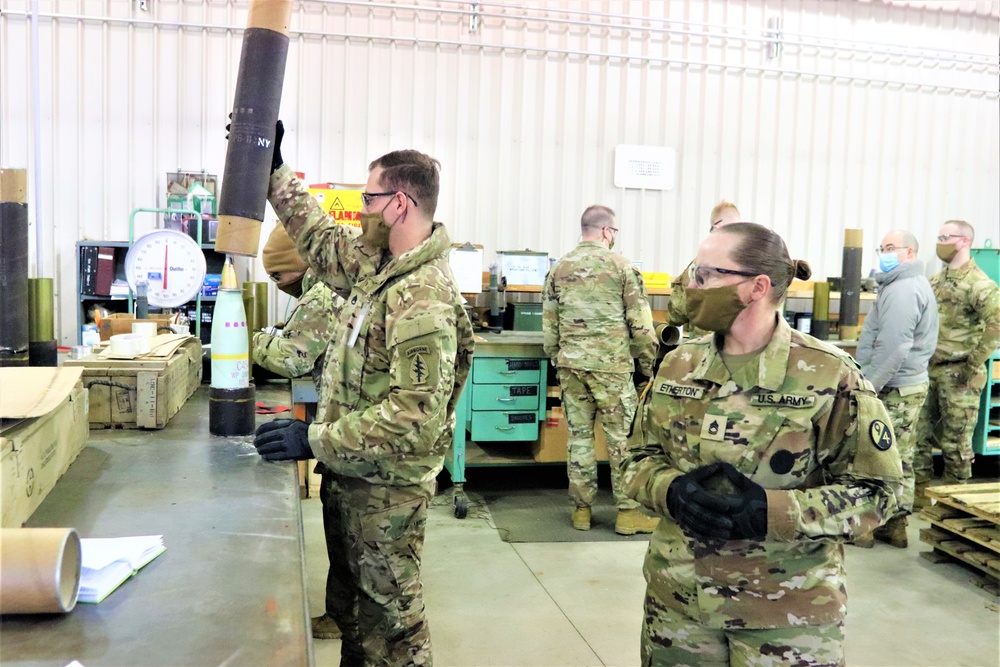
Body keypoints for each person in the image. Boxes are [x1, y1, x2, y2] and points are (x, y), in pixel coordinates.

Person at [622, 223, 902, 666]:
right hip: (678, 604)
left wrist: (772, 513)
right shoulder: (677, 366)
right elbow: (635, 458)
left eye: (705, 274)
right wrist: (669, 491)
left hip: (787, 612)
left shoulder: (830, 375)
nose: (690, 287)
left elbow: (880, 493)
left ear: (757, 287)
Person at [252, 122, 475, 667]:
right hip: (354, 478)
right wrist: (273, 167)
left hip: (388, 494)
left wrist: (315, 438)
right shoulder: (377, 268)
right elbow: (320, 239)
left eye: (368, 198)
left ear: (399, 204)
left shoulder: (423, 297)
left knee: (393, 628)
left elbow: (412, 415)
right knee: (355, 618)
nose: (361, 209)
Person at [542, 205, 659, 535]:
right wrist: (649, 368)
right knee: (622, 440)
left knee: (578, 438)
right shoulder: (622, 267)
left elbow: (549, 325)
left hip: (571, 366)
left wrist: (558, 357)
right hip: (611, 367)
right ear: (608, 232)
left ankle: (581, 511)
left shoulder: (559, 268)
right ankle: (627, 513)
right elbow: (641, 326)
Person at [253, 224, 345, 640]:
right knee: (345, 537)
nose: (280, 286)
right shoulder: (327, 286)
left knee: (357, 542)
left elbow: (292, 358)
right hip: (343, 431)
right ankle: (342, 618)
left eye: (278, 278)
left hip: (355, 436)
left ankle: (355, 625)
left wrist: (249, 340)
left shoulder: (322, 292)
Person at [854, 230, 938, 548]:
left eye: (891, 248)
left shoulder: (902, 290)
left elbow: (894, 347)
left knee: (879, 457)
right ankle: (894, 524)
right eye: (882, 248)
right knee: (899, 456)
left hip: (894, 387)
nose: (884, 253)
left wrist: (868, 389)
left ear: (910, 253)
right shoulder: (906, 284)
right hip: (906, 385)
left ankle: (873, 526)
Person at [913, 220, 1000, 503]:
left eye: (946, 237)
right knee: (918, 438)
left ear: (964, 241)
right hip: (928, 370)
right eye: (939, 236)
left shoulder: (979, 283)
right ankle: (920, 498)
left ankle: (954, 504)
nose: (940, 242)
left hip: (960, 375)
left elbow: (996, 322)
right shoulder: (935, 282)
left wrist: (973, 363)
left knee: (956, 445)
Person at [666, 200, 742, 337]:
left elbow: (675, 316)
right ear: (716, 228)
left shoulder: (698, 267)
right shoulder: (754, 265)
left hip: (706, 350)